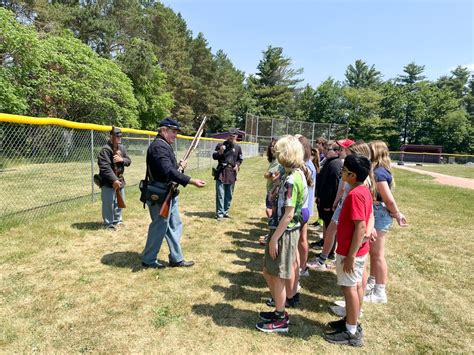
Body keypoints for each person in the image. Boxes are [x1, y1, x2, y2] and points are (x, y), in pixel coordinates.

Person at [256, 135, 307, 334]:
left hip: (284, 233)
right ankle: (279, 310)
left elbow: (289, 214)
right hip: (279, 230)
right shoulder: (290, 174)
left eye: (279, 151)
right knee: (268, 272)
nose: (276, 154)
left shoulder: (293, 179)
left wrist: (274, 239)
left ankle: (280, 317)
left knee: (276, 275)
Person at [141, 117, 206, 269]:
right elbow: (167, 171)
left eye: (176, 132)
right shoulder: (158, 147)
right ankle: (148, 259)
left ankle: (176, 258)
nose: (175, 135)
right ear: (163, 130)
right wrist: (191, 180)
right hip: (160, 193)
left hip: (169, 191)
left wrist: (179, 166)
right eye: (173, 131)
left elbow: (168, 168)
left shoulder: (164, 145)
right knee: (159, 226)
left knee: (174, 224)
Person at [323, 154, 373, 347]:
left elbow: (360, 227)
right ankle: (349, 322)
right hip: (353, 250)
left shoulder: (355, 195)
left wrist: (351, 256)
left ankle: (351, 331)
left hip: (351, 251)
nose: (341, 172)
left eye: (344, 171)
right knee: (352, 286)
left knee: (349, 288)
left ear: (352, 175)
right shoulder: (362, 189)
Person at [364, 140, 408, 303]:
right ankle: (372, 282)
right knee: (373, 253)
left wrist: (397, 214)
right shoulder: (378, 170)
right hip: (378, 211)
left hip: (380, 213)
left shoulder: (379, 172)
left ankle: (380, 292)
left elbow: (388, 199)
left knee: (378, 255)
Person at [98, 127, 131, 230]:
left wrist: (121, 159)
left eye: (120, 136)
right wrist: (114, 180)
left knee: (119, 202)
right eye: (117, 136)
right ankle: (108, 223)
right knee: (108, 203)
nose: (119, 138)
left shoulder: (122, 148)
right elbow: (105, 167)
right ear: (110, 137)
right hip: (109, 181)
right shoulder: (105, 150)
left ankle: (118, 221)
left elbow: (128, 161)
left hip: (120, 179)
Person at [212, 128, 243, 220]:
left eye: (233, 136)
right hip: (221, 171)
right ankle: (220, 213)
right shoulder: (221, 145)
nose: (231, 137)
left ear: (236, 137)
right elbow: (214, 156)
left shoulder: (238, 147)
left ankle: (225, 211)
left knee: (229, 194)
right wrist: (220, 151)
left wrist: (237, 165)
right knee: (220, 194)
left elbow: (240, 159)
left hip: (231, 173)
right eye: (230, 135)